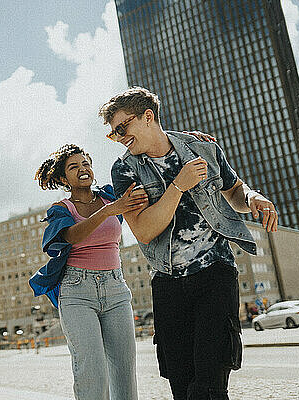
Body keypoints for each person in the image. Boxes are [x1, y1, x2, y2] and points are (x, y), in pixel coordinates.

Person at [101, 87, 278, 400]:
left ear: (148, 116)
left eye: (122, 128)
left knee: (208, 387)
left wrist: (252, 197)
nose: (119, 137)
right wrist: (177, 186)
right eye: (113, 134)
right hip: (168, 282)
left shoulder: (200, 146)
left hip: (216, 274)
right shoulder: (125, 170)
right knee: (182, 389)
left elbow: (234, 189)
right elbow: (144, 230)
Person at [30, 144, 148, 400]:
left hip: (116, 288)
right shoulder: (61, 209)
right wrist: (108, 211)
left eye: (86, 164)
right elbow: (71, 236)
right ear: (63, 178)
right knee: (92, 373)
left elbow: (145, 174)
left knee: (124, 373)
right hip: (77, 292)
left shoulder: (109, 195)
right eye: (74, 167)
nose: (83, 169)